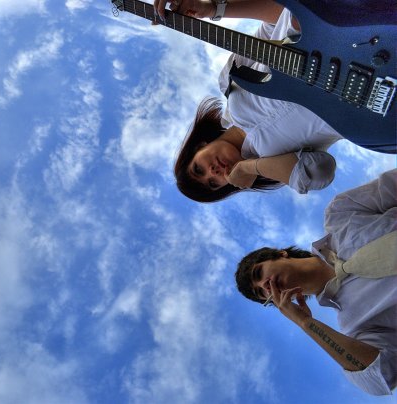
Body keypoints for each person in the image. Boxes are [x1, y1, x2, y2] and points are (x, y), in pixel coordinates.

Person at [152, 1, 396, 203]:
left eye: (199, 169)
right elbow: (321, 170)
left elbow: (278, 18)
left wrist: (214, 9)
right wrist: (251, 168)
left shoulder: (230, 83)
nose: (212, 172)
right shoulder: (273, 165)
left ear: (199, 147)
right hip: (379, 106)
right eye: (213, 183)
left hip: (357, 34)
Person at [234, 169, 397, 395]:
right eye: (263, 293)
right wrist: (306, 324)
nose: (266, 285)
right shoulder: (355, 325)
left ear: (280, 254)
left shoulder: (340, 213)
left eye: (259, 273)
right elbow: (380, 376)